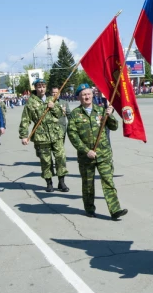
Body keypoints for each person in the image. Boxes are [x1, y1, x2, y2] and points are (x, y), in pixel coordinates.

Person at [67, 83, 127, 219]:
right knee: (88, 184)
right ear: (79, 98)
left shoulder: (101, 110)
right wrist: (86, 150)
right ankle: (89, 208)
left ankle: (115, 210)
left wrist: (110, 115)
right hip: (86, 157)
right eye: (83, 95)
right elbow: (72, 135)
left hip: (104, 154)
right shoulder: (75, 114)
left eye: (88, 94)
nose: (86, 97)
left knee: (108, 181)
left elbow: (114, 127)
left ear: (92, 95)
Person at [19, 78, 69, 192]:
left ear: (46, 88)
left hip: (56, 134)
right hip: (41, 136)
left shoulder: (52, 99)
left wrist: (54, 107)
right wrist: (24, 135)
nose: (41, 89)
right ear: (35, 88)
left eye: (43, 86)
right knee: (46, 161)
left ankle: (61, 182)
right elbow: (25, 120)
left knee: (60, 158)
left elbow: (60, 114)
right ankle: (49, 183)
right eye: (39, 87)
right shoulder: (30, 103)